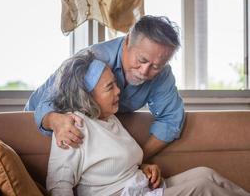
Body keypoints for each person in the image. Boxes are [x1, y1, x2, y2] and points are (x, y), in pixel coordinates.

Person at [46, 52, 250, 196]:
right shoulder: (73, 125)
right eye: (110, 87)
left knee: (205, 174)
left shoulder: (108, 118)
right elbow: (58, 184)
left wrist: (143, 167)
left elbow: (110, 163)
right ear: (87, 97)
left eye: (116, 83)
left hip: (138, 187)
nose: (119, 91)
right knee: (202, 186)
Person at [25, 15, 184, 159]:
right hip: (38, 121)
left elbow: (171, 120)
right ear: (127, 41)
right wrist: (54, 120)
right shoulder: (92, 58)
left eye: (156, 66)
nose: (145, 72)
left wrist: (136, 159)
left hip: (97, 130)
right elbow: (45, 104)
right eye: (141, 60)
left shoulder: (163, 75)